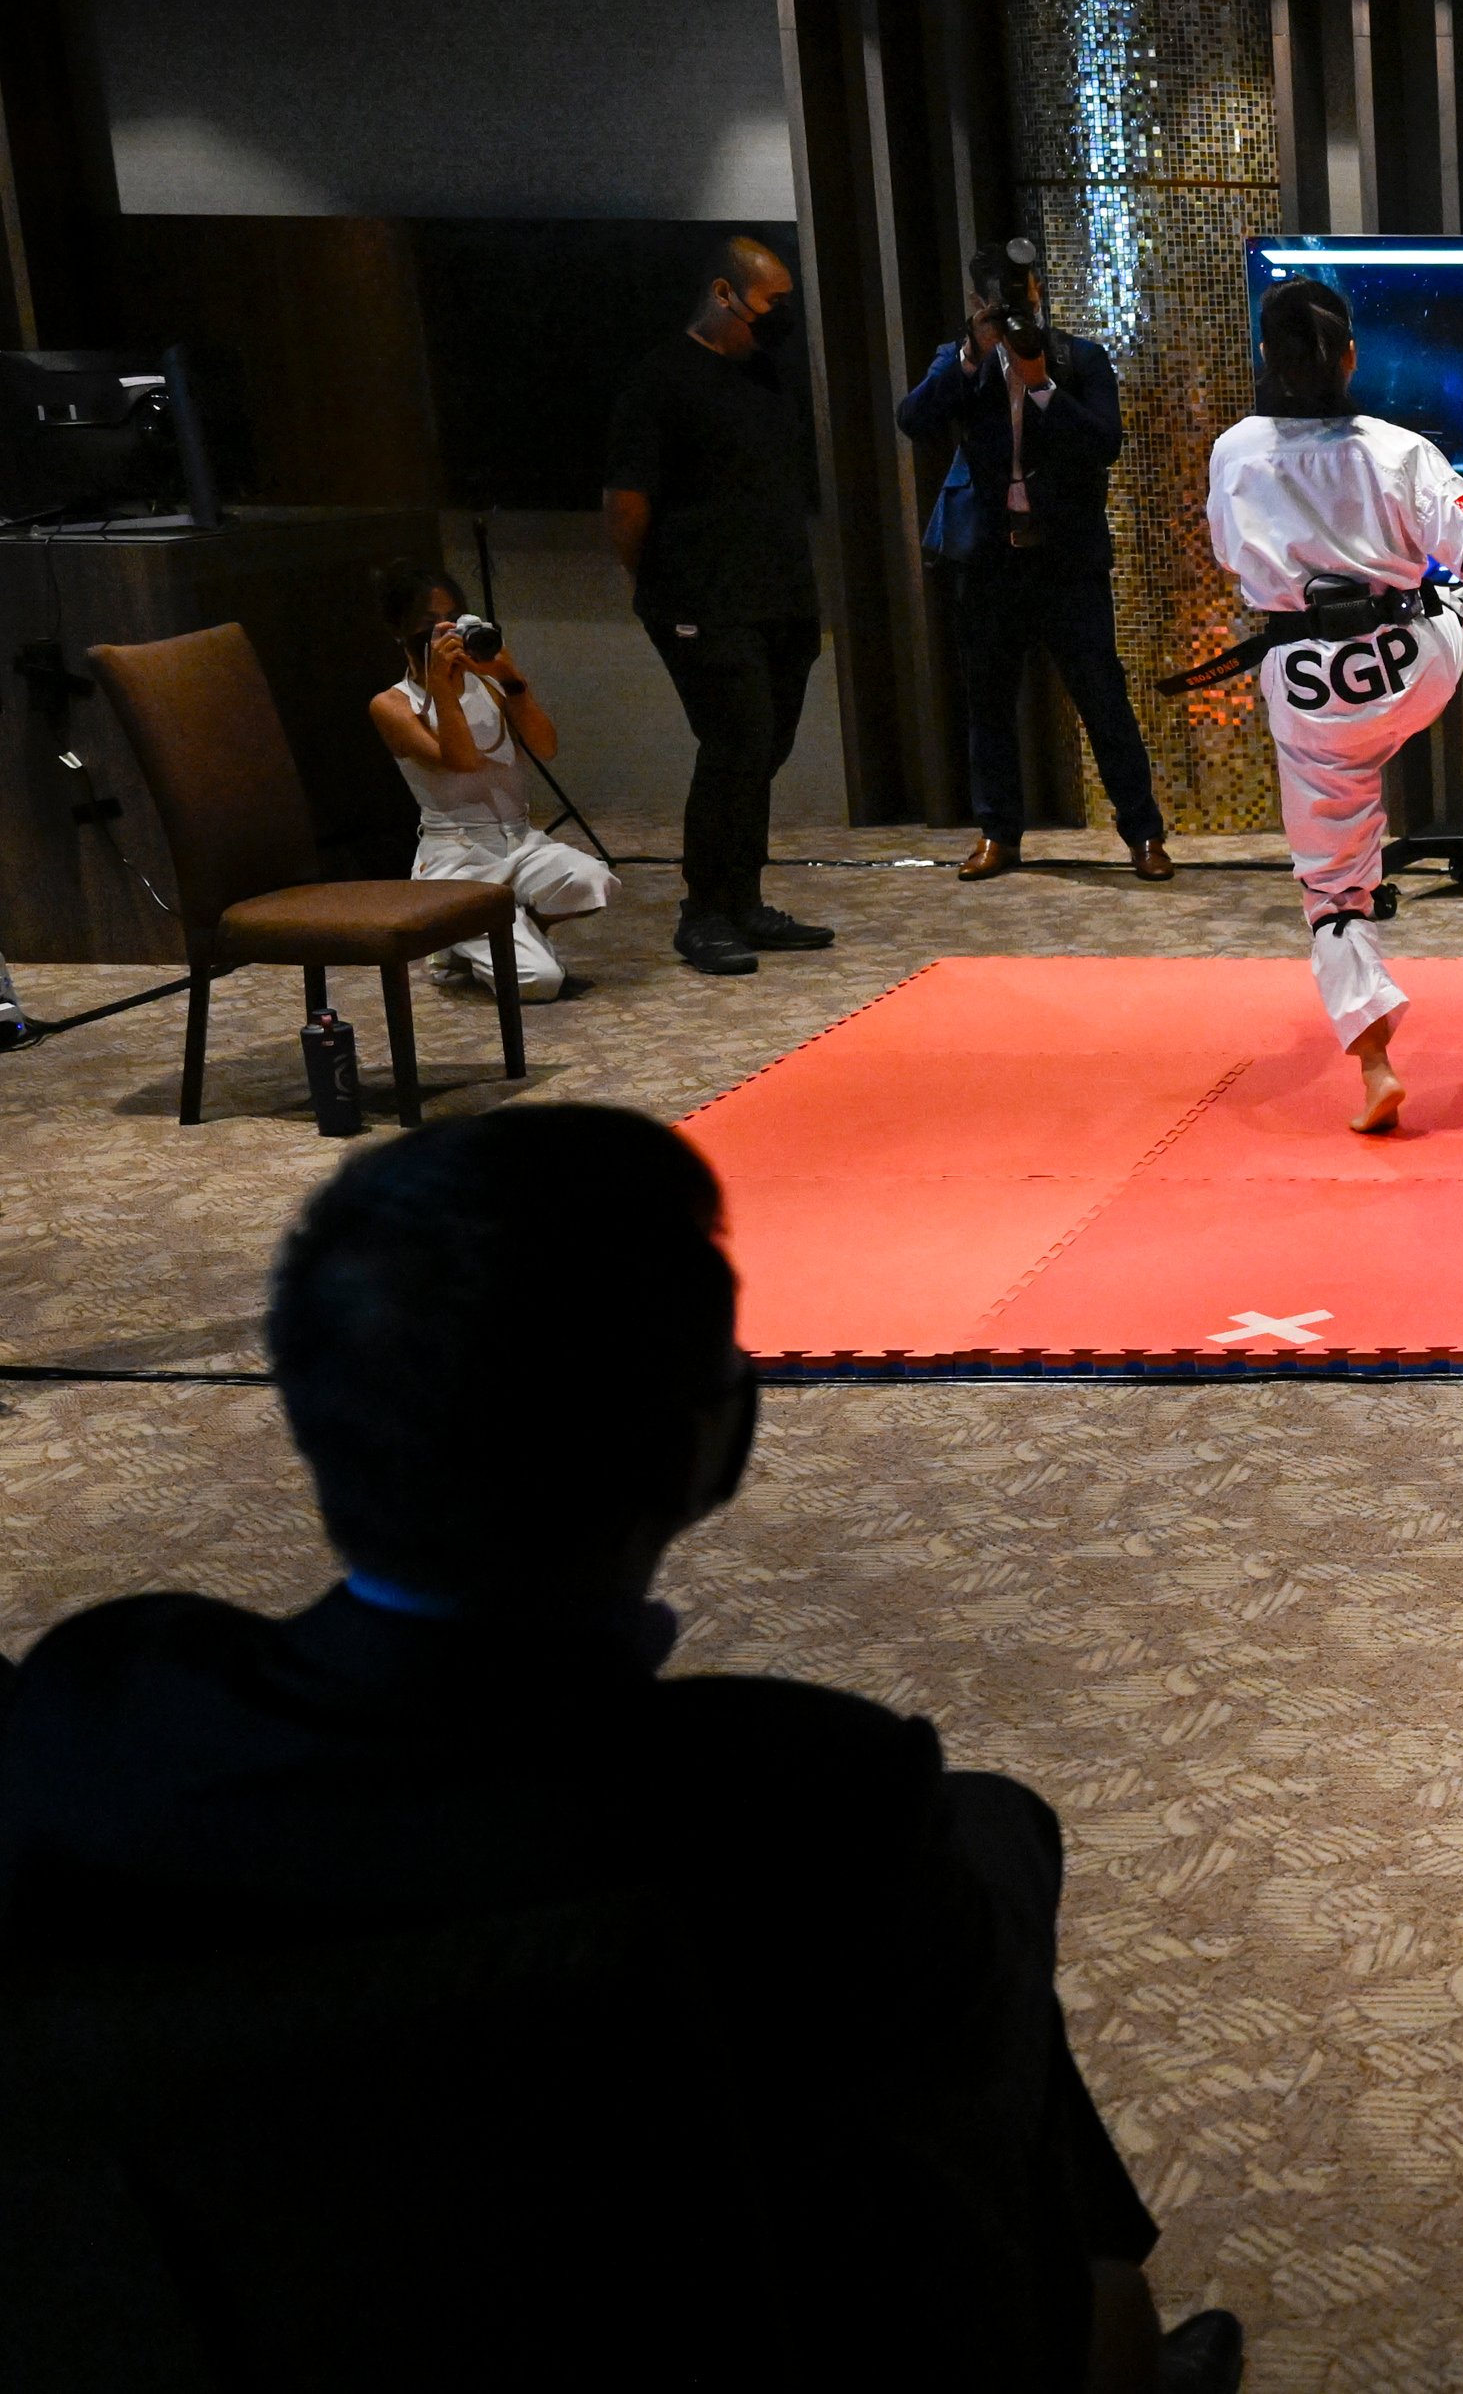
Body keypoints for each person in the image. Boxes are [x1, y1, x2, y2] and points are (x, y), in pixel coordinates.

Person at [0, 1108, 1239, 2391]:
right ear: (718, 1442)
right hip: (715, 2318)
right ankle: (1112, 2340)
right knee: (995, 1848)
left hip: (222, 2322)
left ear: (313, 1409)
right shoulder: (808, 1795)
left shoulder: (100, 1703)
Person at [1197, 276, 1463, 1132]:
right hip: (1412, 663)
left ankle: (1375, 1061)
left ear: (1267, 359)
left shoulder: (1233, 451)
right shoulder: (1397, 450)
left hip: (1312, 692)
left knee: (1335, 890)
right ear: (1351, 356)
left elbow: (1233, 557)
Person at [897, 238, 1174, 886]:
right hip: (987, 559)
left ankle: (1144, 834)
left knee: (1103, 699)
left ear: (1039, 295)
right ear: (976, 307)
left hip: (1067, 559)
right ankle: (999, 834)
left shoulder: (1081, 359)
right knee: (989, 702)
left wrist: (1042, 385)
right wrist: (971, 354)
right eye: (995, 308)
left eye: (1021, 302)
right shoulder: (960, 362)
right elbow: (915, 420)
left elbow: (1105, 444)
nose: (1014, 316)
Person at [602, 236, 834, 977]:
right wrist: (663, 588)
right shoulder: (661, 380)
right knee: (733, 746)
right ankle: (703, 911)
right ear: (725, 293)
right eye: (774, 301)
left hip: (780, 599)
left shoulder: (766, 375)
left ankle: (744, 899)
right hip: (700, 599)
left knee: (765, 749)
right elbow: (627, 504)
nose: (782, 317)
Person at [366, 561, 617, 1001]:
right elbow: (459, 761)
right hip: (455, 861)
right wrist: (444, 686)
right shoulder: (392, 705)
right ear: (399, 630)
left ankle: (489, 934)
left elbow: (546, 746)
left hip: (518, 844)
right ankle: (459, 937)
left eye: (453, 619)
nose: (445, 632)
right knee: (541, 982)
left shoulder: (490, 686)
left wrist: (509, 678)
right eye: (429, 624)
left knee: (590, 880)